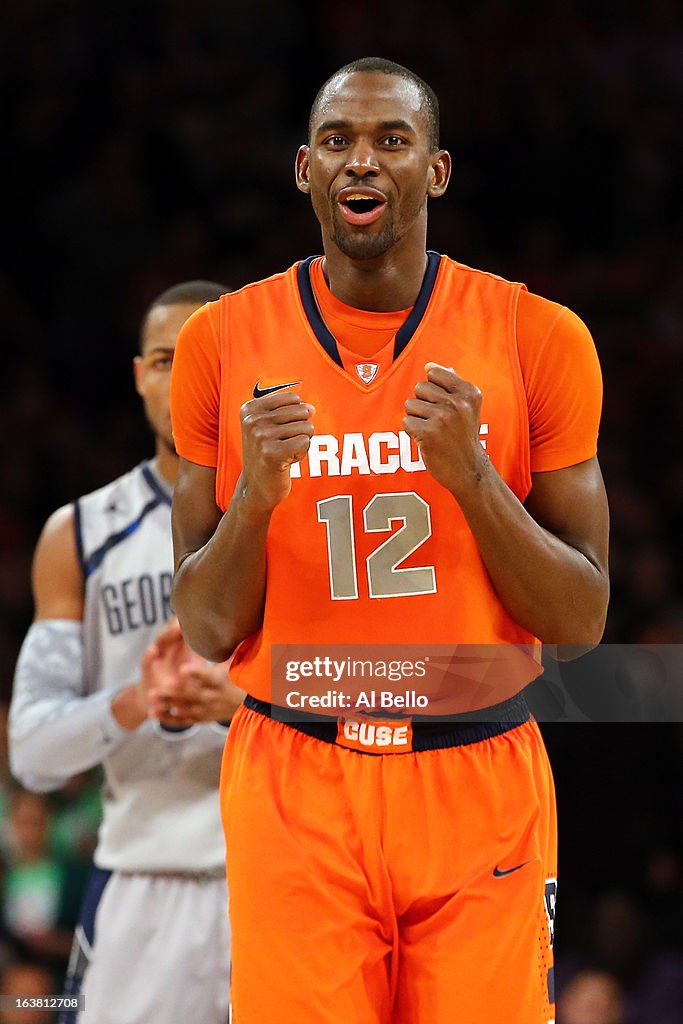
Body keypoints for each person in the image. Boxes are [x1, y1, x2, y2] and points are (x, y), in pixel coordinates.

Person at [170, 58, 610, 1024]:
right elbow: (203, 626)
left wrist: (472, 476)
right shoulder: (219, 339)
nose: (359, 160)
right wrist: (255, 500)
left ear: (436, 172)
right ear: (302, 169)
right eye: (337, 141)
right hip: (294, 770)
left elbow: (579, 619)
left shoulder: (537, 335)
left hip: (474, 770)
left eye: (389, 140)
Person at [9, 281, 243, 1024]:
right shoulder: (76, 535)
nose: (183, 379)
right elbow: (34, 752)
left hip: (288, 870)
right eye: (167, 359)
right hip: (144, 874)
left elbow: (382, 706)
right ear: (139, 373)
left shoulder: (309, 519)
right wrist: (137, 702)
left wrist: (249, 706)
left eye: (205, 358)